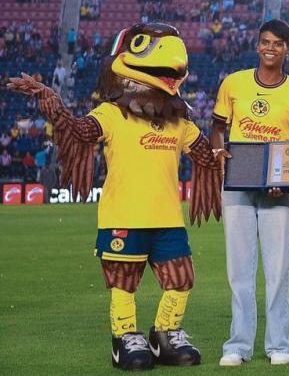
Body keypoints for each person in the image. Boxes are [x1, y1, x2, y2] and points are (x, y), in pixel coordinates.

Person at [7, 23, 222, 371]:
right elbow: (78, 133)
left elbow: (204, 155)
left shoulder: (178, 121)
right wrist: (54, 105)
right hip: (123, 216)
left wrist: (220, 156)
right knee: (123, 282)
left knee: (182, 279)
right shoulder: (110, 113)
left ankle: (165, 334)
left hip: (168, 218)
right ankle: (125, 338)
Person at [212, 19, 289, 367]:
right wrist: (216, 151)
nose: (271, 48)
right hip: (238, 184)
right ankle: (238, 345)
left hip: (278, 190)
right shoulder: (234, 83)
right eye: (265, 42)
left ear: (288, 49)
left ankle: (278, 345)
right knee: (239, 270)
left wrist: (283, 179)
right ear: (258, 45)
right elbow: (216, 128)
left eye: (278, 44)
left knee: (277, 270)